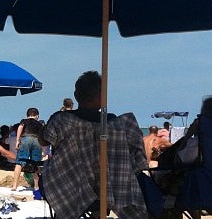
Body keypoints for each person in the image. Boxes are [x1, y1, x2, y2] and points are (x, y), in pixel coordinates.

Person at [40, 71, 148, 218]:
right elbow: (138, 157)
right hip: (110, 187)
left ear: (76, 95)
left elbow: (44, 140)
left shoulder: (62, 120)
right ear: (102, 96)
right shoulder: (115, 123)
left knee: (48, 175)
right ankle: (98, 213)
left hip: (72, 186)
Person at [11, 108, 44, 201]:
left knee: (19, 162)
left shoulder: (24, 121)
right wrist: (44, 149)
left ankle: (14, 185)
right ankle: (36, 186)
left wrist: (17, 140)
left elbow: (20, 127)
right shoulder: (40, 123)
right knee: (36, 164)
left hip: (26, 138)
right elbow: (43, 134)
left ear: (27, 115)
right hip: (37, 140)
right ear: (37, 115)